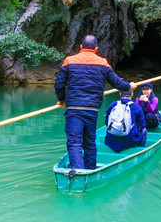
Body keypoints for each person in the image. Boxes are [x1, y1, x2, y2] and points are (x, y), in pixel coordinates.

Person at [54, 35, 137, 170]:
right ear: (96, 48)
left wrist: (62, 99)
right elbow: (117, 82)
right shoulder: (103, 63)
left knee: (74, 143)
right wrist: (129, 87)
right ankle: (90, 170)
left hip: (74, 108)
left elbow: (59, 84)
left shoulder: (69, 61)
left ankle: (78, 172)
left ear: (81, 47)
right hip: (92, 109)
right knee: (89, 142)